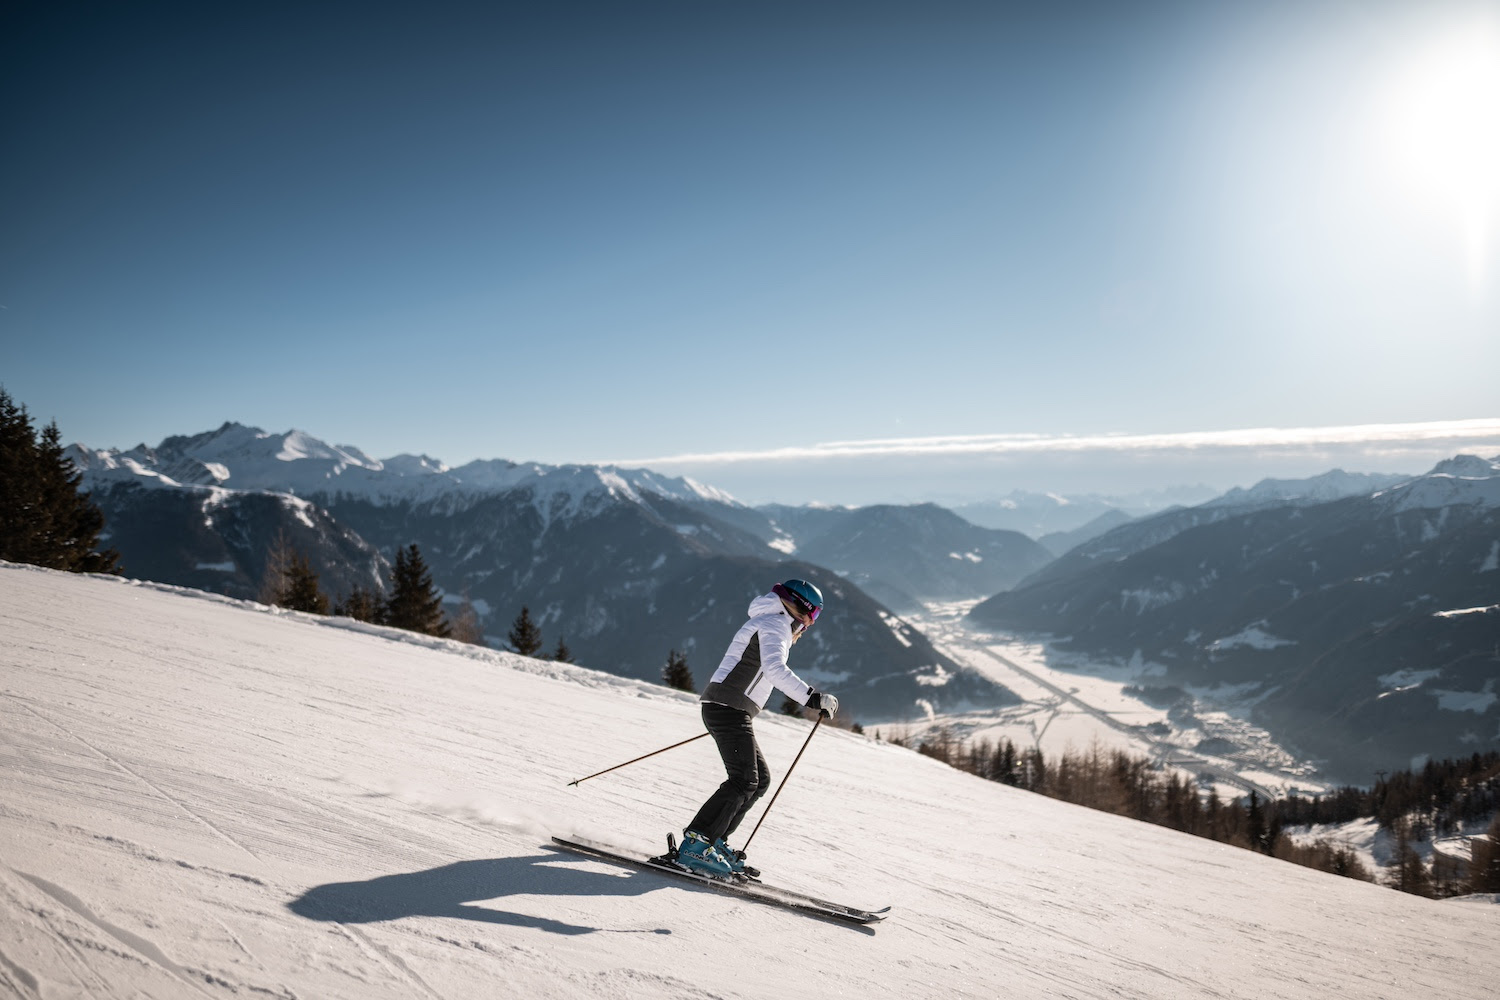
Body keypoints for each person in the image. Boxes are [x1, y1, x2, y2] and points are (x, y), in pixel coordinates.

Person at [676, 579, 839, 877]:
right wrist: (811, 697)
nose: (811, 623)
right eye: (813, 615)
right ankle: (696, 846)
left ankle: (715, 841)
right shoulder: (775, 625)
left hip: (729, 707)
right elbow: (775, 669)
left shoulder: (771, 621)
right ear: (801, 608)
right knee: (743, 780)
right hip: (728, 707)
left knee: (758, 780)